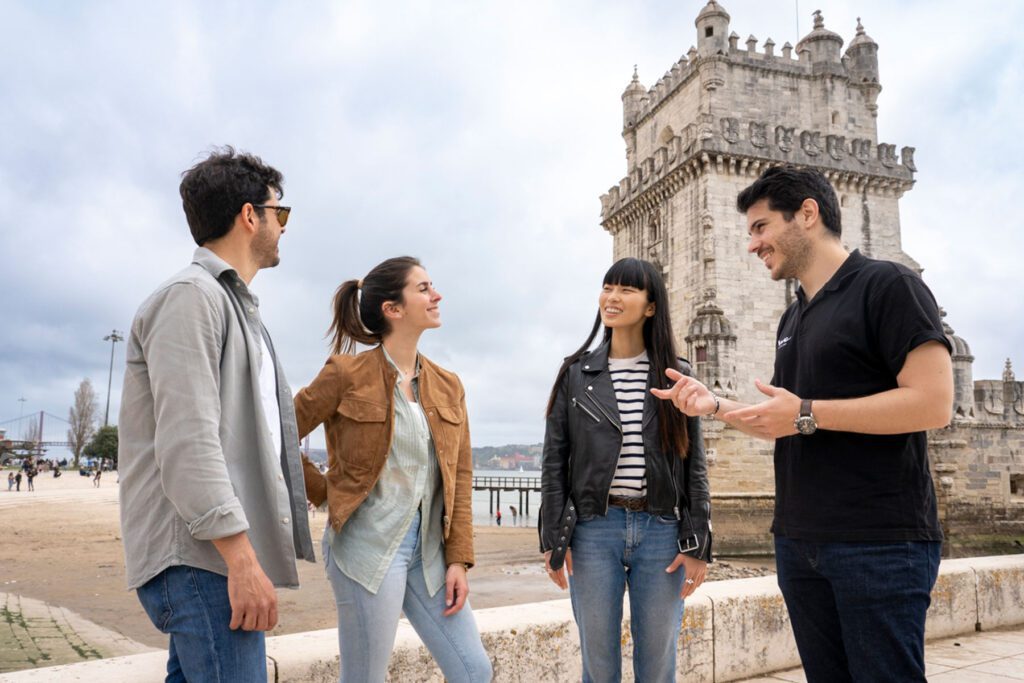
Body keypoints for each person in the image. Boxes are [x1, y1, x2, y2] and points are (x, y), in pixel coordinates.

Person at [654, 165, 953, 683]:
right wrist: (716, 407)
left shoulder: (889, 286)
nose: (753, 244)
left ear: (807, 214)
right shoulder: (794, 318)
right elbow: (785, 422)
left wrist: (809, 412)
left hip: (878, 540)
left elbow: (933, 403)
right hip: (800, 542)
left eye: (761, 227)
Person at [118, 147, 315, 681]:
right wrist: (241, 560)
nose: (284, 227)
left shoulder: (236, 308)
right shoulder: (192, 297)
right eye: (282, 213)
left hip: (208, 558)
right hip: (200, 559)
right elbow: (188, 443)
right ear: (251, 216)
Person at [294, 257, 492, 683]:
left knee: (473, 671)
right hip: (365, 547)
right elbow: (278, 437)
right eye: (423, 288)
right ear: (393, 308)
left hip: (430, 554)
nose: (436, 295)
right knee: (365, 678)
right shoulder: (346, 373)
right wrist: (326, 491)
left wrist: (459, 558)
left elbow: (461, 475)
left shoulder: (448, 385)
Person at [541, 257, 713, 682]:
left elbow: (693, 465)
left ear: (651, 306)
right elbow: (554, 460)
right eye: (607, 287)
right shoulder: (576, 373)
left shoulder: (677, 374)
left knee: (658, 665)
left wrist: (698, 543)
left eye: (627, 289)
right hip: (592, 531)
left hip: (661, 530)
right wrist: (551, 540)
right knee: (598, 666)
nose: (612, 297)